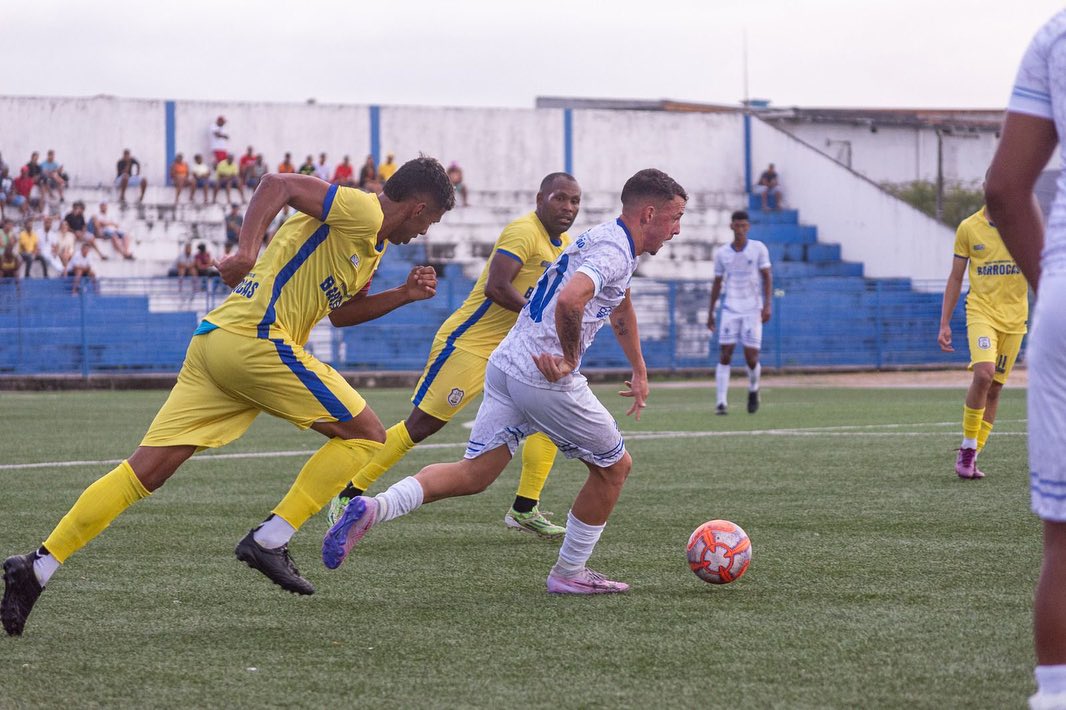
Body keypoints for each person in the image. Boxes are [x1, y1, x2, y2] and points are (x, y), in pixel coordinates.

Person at [0, 156, 455, 637]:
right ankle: (270, 538)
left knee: (144, 472)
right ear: (417, 207)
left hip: (217, 343)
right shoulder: (361, 210)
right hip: (256, 340)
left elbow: (341, 314)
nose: (425, 232)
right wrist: (245, 252)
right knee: (367, 436)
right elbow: (277, 184)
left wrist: (403, 295)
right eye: (430, 220)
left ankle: (39, 566)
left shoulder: (371, 246)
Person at [322, 168, 686, 595]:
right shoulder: (613, 250)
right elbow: (571, 300)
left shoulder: (604, 238)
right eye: (675, 218)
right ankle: (569, 572)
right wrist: (570, 359)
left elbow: (619, 304)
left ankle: (372, 508)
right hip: (543, 375)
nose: (677, 230)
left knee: (474, 474)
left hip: (507, 363)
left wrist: (639, 369)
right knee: (614, 468)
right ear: (649, 213)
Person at [326, 172, 583, 540]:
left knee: (548, 417)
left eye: (575, 201)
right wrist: (540, 318)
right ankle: (348, 492)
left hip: (514, 351)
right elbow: (497, 287)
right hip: (471, 344)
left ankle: (525, 508)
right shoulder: (524, 232)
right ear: (541, 198)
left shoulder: (566, 246)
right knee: (421, 426)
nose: (568, 207)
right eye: (560, 198)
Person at [984, 11, 1066, 709]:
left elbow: (1005, 190)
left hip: (1061, 303)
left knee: (1063, 545)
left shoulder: (1056, 33)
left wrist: (1054, 290)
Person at [937, 199, 1028, 480]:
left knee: (996, 387)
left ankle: (974, 453)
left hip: (1015, 319)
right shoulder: (968, 227)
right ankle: (967, 446)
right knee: (984, 374)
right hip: (981, 312)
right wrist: (944, 322)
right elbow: (956, 278)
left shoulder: (1024, 225)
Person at [706, 210, 772, 415]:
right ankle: (721, 402)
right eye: (737, 225)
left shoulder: (758, 248)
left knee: (751, 357)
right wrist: (711, 311)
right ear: (731, 226)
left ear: (748, 227)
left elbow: (767, 277)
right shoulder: (722, 253)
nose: (741, 229)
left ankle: (753, 388)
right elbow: (717, 282)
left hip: (752, 308)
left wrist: (767, 305)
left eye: (744, 225)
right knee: (725, 354)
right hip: (730, 308)